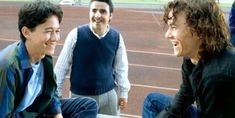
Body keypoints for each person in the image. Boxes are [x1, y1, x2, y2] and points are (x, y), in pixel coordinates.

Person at [0, 1, 98, 117]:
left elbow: (51, 91)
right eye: (49, 31)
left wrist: (57, 114)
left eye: (57, 31)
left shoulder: (44, 55)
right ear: (26, 32)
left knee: (88, 105)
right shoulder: (8, 66)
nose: (55, 38)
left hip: (37, 109)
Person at [142, 0, 235, 117]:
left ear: (200, 30)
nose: (167, 35)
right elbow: (185, 94)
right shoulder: (193, 56)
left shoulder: (217, 76)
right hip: (207, 112)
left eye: (174, 27)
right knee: (152, 100)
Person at [54, 0, 130, 116]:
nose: (97, 15)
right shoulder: (76, 35)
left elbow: (121, 67)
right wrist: (57, 94)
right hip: (80, 97)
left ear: (110, 16)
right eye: (94, 10)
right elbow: (61, 68)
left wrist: (124, 93)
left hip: (108, 96)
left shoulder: (116, 37)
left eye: (103, 11)